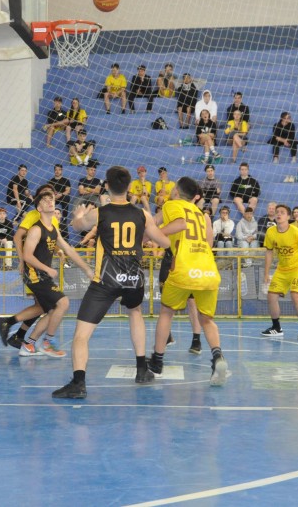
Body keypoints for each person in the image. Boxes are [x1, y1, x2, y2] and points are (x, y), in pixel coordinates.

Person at [52, 166, 172, 399]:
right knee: (135, 312)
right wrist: (146, 235)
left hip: (105, 280)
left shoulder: (100, 212)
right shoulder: (142, 215)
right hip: (133, 279)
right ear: (129, 188)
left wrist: (78, 216)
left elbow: (77, 226)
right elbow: (165, 242)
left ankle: (79, 383)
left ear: (106, 186)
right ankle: (141, 369)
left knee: (81, 335)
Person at [146, 176, 227, 386]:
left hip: (183, 268)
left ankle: (157, 362)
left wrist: (152, 235)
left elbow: (179, 224)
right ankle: (218, 357)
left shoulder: (172, 205)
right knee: (207, 319)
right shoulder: (203, 215)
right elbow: (209, 244)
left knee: (166, 312)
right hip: (208, 270)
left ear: (175, 191)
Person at [17, 188, 94, 357]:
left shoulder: (53, 229)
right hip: (34, 274)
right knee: (63, 303)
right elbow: (28, 255)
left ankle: (29, 344)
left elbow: (69, 250)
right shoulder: (36, 229)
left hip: (42, 275)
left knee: (53, 310)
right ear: (39, 208)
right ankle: (47, 343)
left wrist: (87, 269)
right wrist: (47, 268)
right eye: (45, 200)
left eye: (51, 198)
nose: (50, 201)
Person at [0, 184, 63, 349]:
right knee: (48, 306)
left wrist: (59, 250)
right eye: (44, 196)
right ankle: (13, 328)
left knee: (42, 306)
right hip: (34, 268)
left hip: (43, 267)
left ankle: (18, 335)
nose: (48, 199)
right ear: (39, 200)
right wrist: (21, 260)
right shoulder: (34, 216)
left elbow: (51, 240)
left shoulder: (53, 218)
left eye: (50, 196)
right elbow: (18, 237)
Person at [262, 204, 298, 340]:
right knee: (271, 296)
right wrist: (266, 273)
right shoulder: (271, 232)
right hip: (281, 270)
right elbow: (269, 252)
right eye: (277, 212)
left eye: (282, 212)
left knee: (295, 295)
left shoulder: (296, 232)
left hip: (297, 269)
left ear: (288, 216)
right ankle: (276, 327)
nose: (279, 214)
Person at [47, 163, 73, 237]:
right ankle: (50, 219)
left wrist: (60, 194)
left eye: (59, 170)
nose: (57, 171)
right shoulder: (51, 181)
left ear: (61, 171)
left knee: (66, 197)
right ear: (54, 171)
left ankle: (64, 219)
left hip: (62, 196)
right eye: (56, 170)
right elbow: (49, 191)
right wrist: (54, 196)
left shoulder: (66, 180)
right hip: (53, 198)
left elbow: (68, 190)